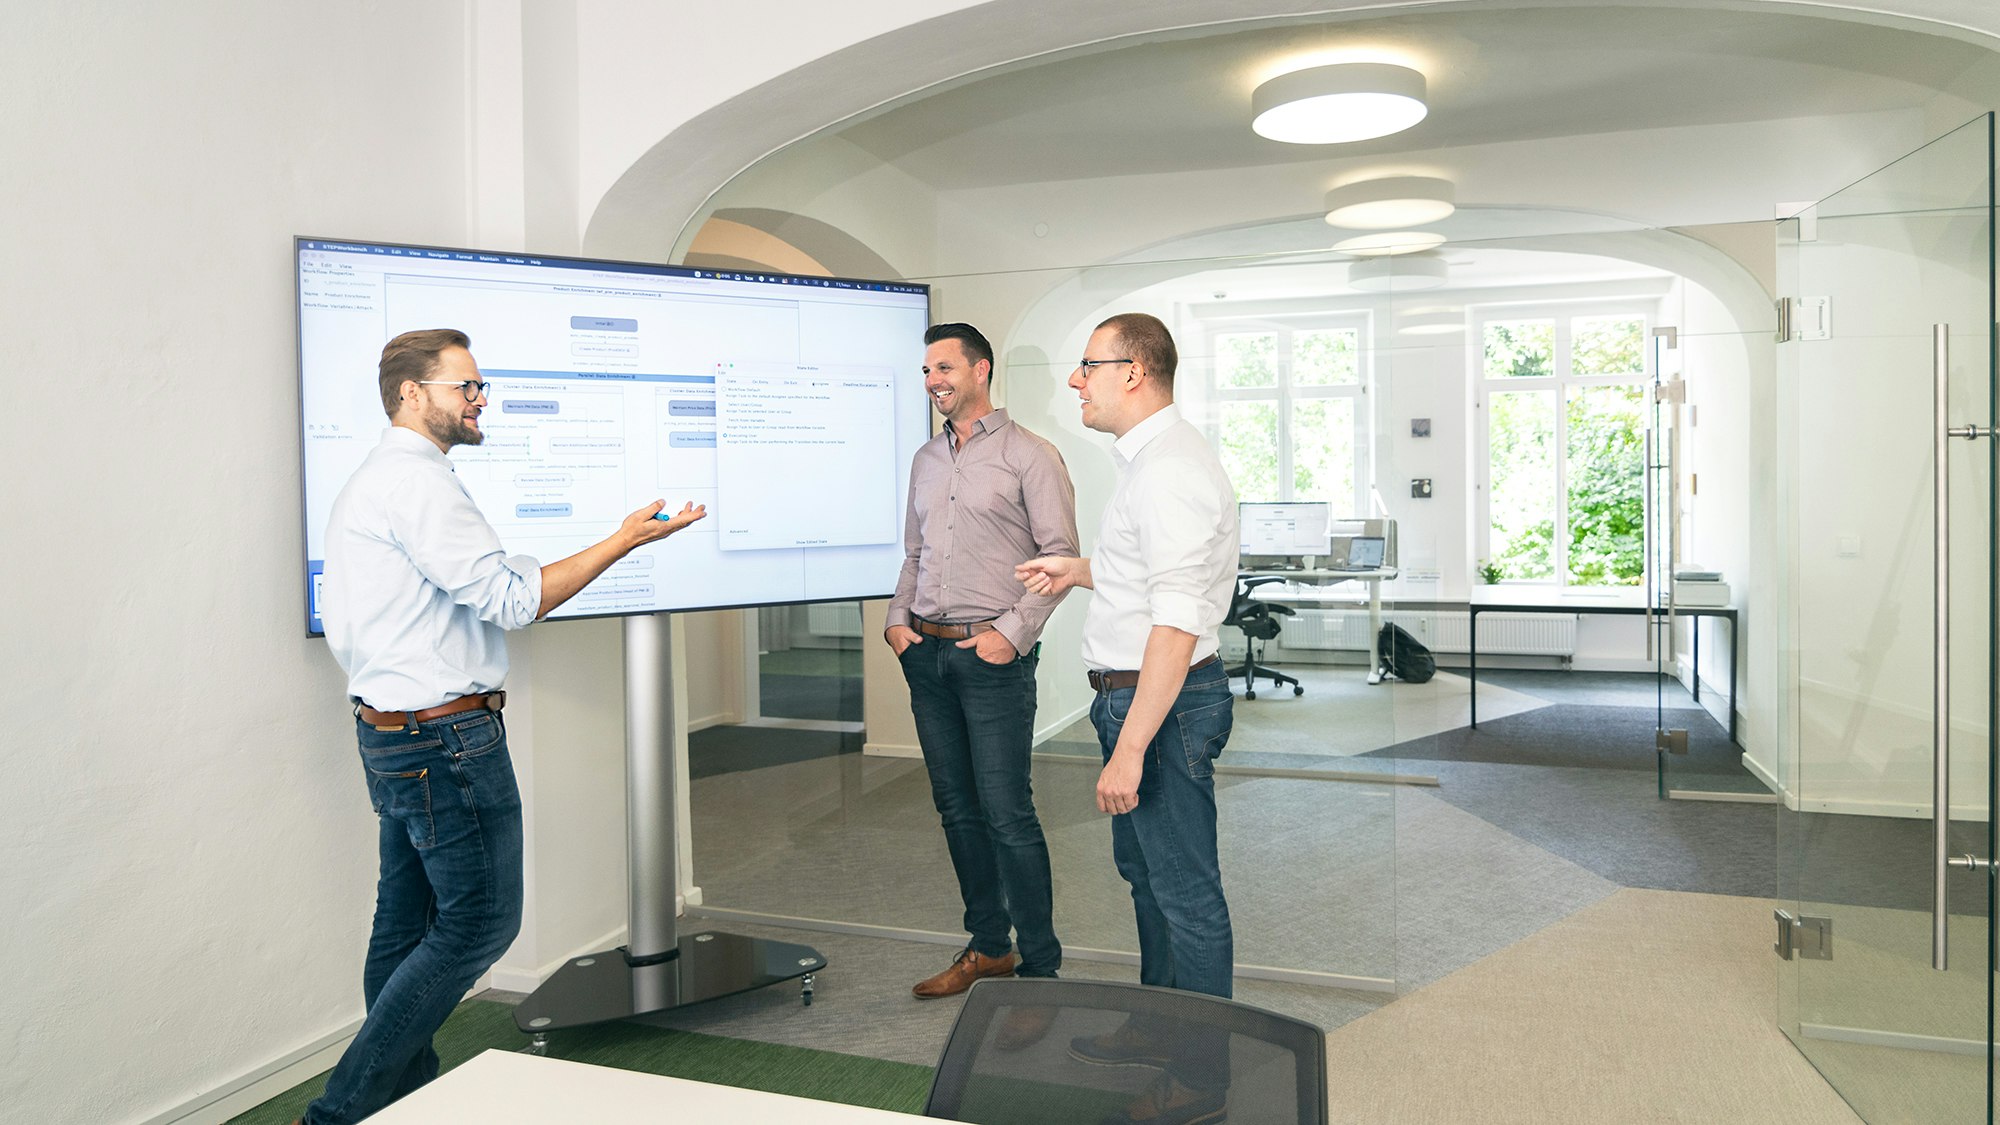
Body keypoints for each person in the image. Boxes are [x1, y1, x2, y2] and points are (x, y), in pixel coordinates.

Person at [304, 329, 705, 1125]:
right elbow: (514, 602)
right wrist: (627, 538)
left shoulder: (377, 478)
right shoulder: (419, 485)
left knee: (406, 921)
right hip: (445, 741)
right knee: (481, 923)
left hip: (393, 732)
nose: (481, 398)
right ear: (414, 394)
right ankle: (339, 1111)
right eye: (467, 386)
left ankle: (404, 1097)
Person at [1015, 312, 1237, 1125]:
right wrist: (1082, 570)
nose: (1076, 381)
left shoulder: (1171, 469)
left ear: (1135, 371)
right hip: (1135, 698)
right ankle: (1161, 1020)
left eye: (1087, 366)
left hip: (1161, 706)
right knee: (1148, 879)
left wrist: (1131, 748)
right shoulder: (1153, 463)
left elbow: (1176, 626)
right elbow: (1151, 575)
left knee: (1187, 895)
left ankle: (1202, 1078)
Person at [885, 322, 1079, 1006]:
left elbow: (1058, 559)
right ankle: (990, 945)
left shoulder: (1032, 455)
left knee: (1007, 811)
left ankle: (1042, 970)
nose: (934, 379)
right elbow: (913, 554)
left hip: (991, 658)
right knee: (955, 809)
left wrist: (1012, 634)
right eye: (927, 369)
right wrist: (896, 620)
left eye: (945, 367)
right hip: (927, 653)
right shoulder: (924, 460)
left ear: (981, 370)